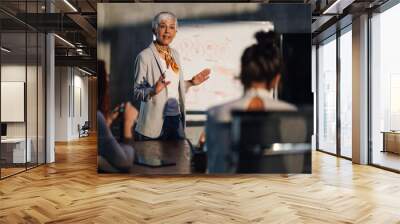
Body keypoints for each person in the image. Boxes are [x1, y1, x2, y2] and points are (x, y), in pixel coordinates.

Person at [205, 31, 296, 173]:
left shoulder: (216, 113)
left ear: (242, 75)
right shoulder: (291, 113)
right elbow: (293, 168)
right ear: (276, 79)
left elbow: (215, 166)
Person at [133, 11, 211, 140]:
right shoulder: (144, 56)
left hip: (176, 120)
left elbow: (173, 87)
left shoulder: (175, 55)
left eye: (171, 27)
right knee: (152, 159)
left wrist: (191, 82)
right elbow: (136, 92)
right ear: (154, 29)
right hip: (153, 124)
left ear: (176, 32)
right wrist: (153, 90)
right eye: (163, 26)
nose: (167, 31)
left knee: (178, 158)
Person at [97, 60, 138, 173]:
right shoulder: (98, 116)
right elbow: (125, 162)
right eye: (106, 76)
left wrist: (108, 120)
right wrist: (128, 123)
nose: (108, 80)